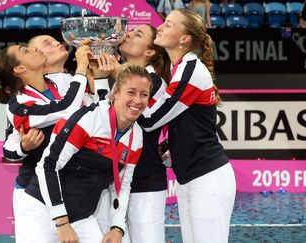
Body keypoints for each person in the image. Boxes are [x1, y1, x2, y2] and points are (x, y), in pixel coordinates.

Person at [13, 64, 152, 243]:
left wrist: (117, 227)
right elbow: (47, 166)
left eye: (144, 94)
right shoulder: (88, 118)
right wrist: (62, 222)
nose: (138, 100)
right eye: (131, 92)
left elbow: (122, 186)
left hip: (82, 218)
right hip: (41, 210)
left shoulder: (136, 136)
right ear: (116, 92)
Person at [139, 9, 236, 243]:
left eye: (169, 25)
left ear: (184, 39)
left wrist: (122, 99)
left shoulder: (190, 70)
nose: (160, 27)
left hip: (207, 178)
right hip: (190, 177)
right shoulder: (179, 68)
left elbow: (152, 120)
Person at [94, 24, 172, 242]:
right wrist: (98, 76)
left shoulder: (156, 82)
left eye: (138, 34)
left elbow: (136, 82)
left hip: (145, 184)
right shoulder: (116, 82)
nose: (127, 34)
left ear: (150, 52)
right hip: (113, 184)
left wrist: (113, 67)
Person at [0, 44, 90, 206]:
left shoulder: (56, 84)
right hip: (33, 192)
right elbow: (67, 108)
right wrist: (23, 148)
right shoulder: (19, 105)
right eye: (26, 50)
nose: (34, 49)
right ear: (19, 68)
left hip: (69, 184)